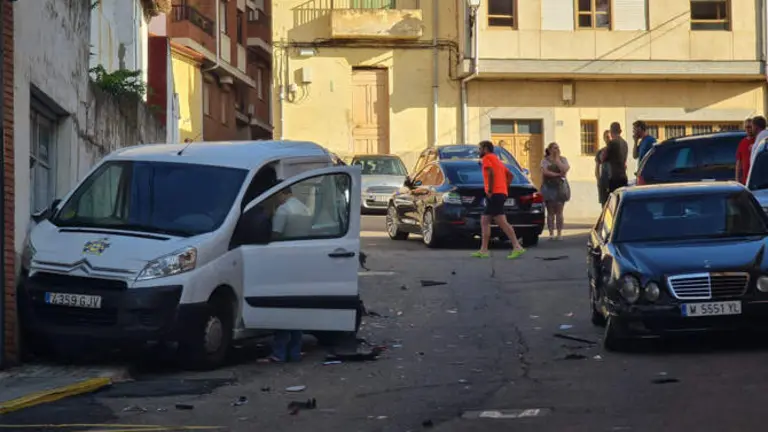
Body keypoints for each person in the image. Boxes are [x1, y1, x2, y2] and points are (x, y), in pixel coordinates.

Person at [262, 186, 312, 363]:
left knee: (282, 308)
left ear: (282, 193)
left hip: (283, 261)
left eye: (276, 195)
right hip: (300, 262)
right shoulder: (304, 208)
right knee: (296, 307)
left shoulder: (283, 210)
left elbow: (275, 236)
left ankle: (279, 353)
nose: (276, 200)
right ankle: (295, 351)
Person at [471, 140, 526, 259]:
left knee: (501, 222)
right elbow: (510, 175)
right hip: (500, 193)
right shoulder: (498, 160)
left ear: (485, 149)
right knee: (485, 220)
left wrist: (490, 190)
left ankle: (517, 246)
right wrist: (504, 187)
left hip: (494, 194)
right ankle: (483, 250)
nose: (479, 151)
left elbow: (490, 172)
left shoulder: (487, 158)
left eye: (480, 149)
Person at [540, 142, 570, 240]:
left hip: (560, 187)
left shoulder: (563, 159)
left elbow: (565, 169)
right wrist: (557, 175)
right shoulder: (545, 160)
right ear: (549, 150)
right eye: (554, 148)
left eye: (557, 148)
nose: (556, 150)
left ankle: (559, 233)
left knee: (559, 211)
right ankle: (551, 233)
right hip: (548, 187)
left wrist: (557, 160)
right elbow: (545, 172)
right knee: (550, 211)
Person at [603, 128, 628, 193]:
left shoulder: (612, 143)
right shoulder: (624, 143)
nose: (609, 138)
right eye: (607, 137)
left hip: (615, 177)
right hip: (622, 177)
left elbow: (603, 158)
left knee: (614, 197)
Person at [735, 118, 755, 185]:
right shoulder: (742, 142)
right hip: (746, 179)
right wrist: (737, 178)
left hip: (757, 178)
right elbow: (738, 162)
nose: (748, 129)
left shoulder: (758, 140)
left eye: (750, 127)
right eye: (746, 127)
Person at [595, 130, 611, 206]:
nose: (609, 139)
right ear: (604, 138)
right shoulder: (600, 151)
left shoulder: (617, 150)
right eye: (607, 137)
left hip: (613, 181)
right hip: (603, 182)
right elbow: (597, 167)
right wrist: (599, 180)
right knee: (604, 205)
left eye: (610, 137)